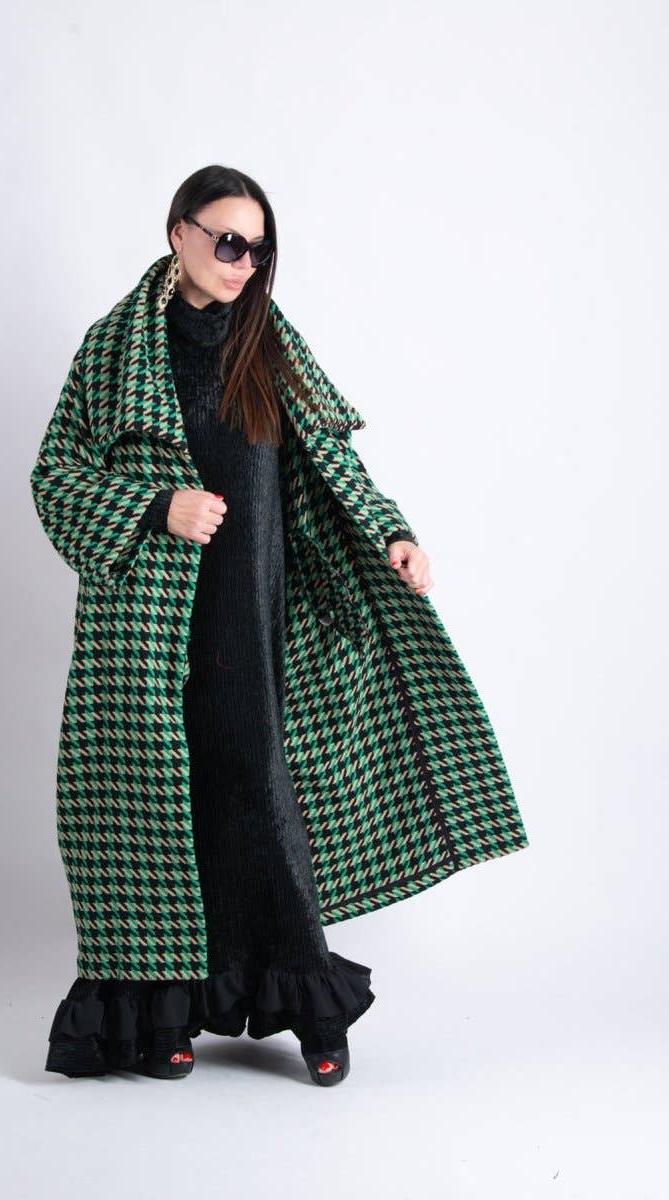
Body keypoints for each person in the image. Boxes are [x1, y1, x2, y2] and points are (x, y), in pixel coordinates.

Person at [31, 164, 525, 1088]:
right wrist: (154, 507)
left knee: (259, 790)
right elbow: (54, 478)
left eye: (258, 249)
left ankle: (306, 1002)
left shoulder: (268, 340)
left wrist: (391, 533)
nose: (242, 263)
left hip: (258, 612)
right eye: (227, 241)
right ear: (178, 232)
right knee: (161, 803)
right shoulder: (112, 349)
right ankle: (164, 1013)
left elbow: (331, 455)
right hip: (145, 625)